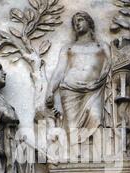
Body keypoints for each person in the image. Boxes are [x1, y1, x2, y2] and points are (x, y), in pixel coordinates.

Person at [45, 11, 111, 157]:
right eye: (75, 21)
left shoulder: (101, 46)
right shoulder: (69, 48)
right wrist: (50, 90)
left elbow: (110, 65)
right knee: (72, 124)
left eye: (80, 20)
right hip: (70, 89)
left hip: (94, 88)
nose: (77, 23)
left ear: (89, 22)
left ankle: (101, 155)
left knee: (96, 117)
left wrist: (100, 81)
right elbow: (59, 71)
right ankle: (75, 157)